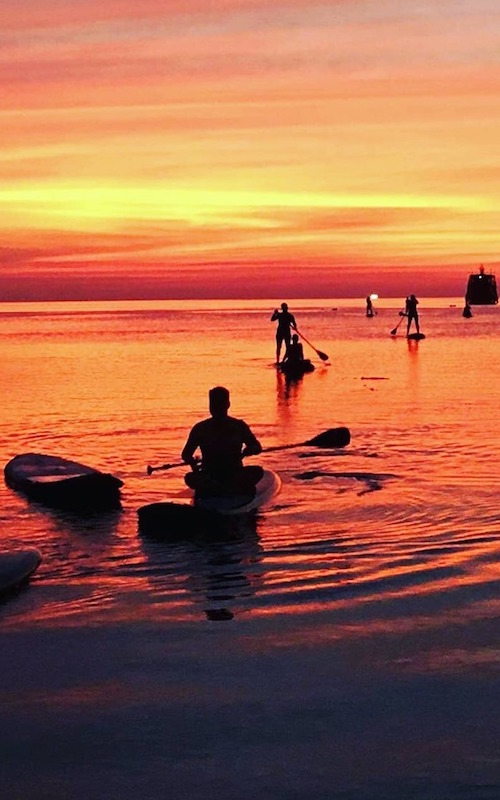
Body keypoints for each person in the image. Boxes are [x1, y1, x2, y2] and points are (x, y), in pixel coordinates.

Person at [181, 386, 263, 497]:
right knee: (190, 478)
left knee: (258, 471)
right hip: (211, 475)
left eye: (218, 404)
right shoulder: (201, 428)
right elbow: (186, 454)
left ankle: (218, 488)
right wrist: (195, 466)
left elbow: (256, 447)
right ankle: (225, 488)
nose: (215, 408)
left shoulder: (238, 426)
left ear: (227, 405)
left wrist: (250, 449)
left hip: (233, 473)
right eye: (214, 404)